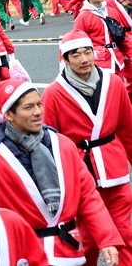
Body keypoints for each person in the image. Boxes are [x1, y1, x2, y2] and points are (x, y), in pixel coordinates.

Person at [0, 79, 123, 265]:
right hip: (23, 255)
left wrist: (107, 238)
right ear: (9, 114)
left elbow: (87, 194)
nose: (37, 112)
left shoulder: (62, 144)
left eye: (39, 104)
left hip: (69, 251)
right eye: (28, 107)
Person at [42, 29, 132, 265]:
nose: (84, 60)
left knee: (125, 235)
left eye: (87, 52)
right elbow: (49, 143)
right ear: (65, 59)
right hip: (81, 173)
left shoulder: (113, 83)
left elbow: (127, 129)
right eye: (76, 55)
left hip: (115, 170)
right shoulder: (53, 93)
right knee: (89, 241)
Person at [74, 0, 132, 76]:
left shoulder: (111, 11)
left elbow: (123, 35)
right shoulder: (83, 17)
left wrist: (130, 52)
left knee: (119, 87)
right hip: (98, 62)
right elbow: (78, 42)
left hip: (117, 58)